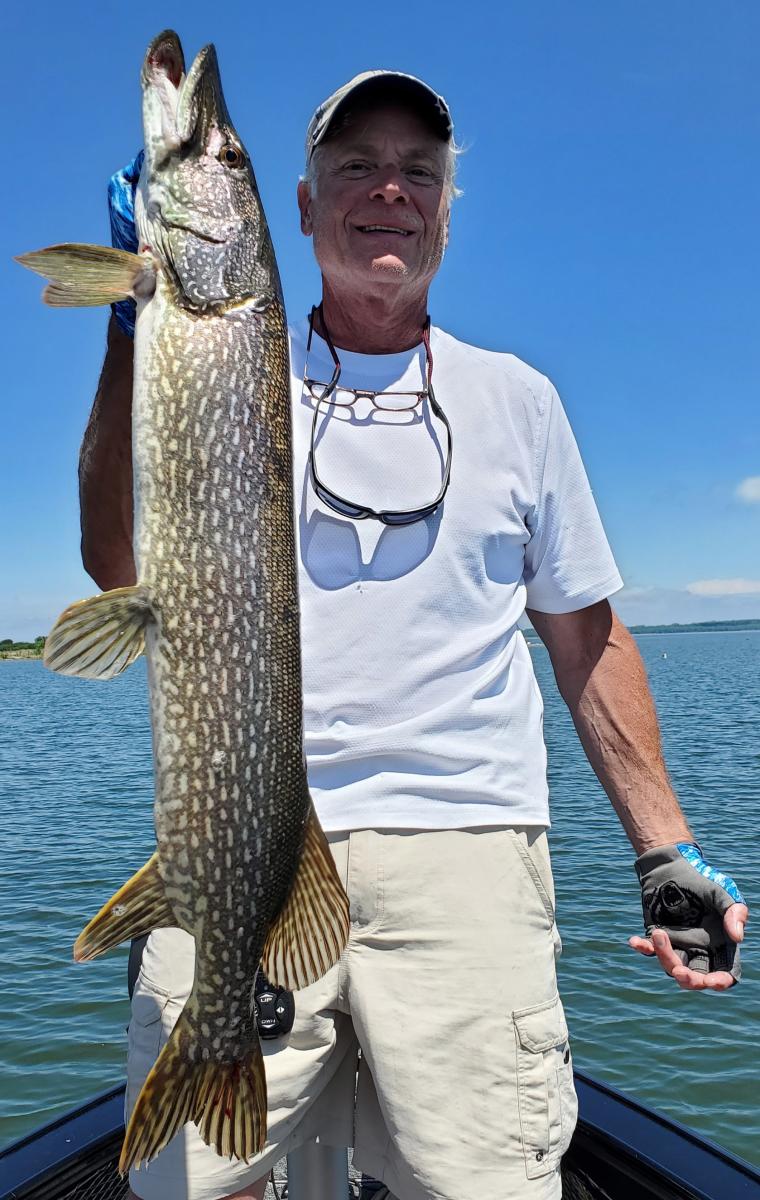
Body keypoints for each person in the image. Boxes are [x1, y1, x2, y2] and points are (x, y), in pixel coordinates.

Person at [81, 70, 748, 1200]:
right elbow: (117, 566)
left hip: (469, 848)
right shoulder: (224, 363)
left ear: (445, 207)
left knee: (478, 1181)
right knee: (202, 1183)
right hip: (247, 841)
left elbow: (584, 637)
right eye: (354, 167)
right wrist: (130, 321)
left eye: (417, 173)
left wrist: (663, 850)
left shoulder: (518, 400)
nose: (388, 191)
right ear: (295, 208)